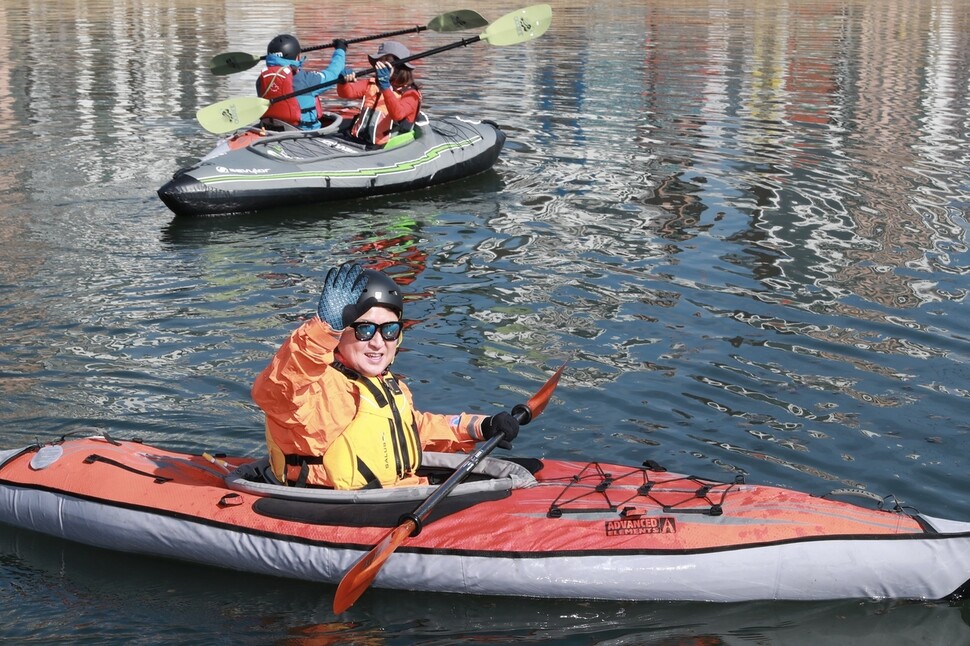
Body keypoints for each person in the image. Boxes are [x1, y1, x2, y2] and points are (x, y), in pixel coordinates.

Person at [252, 261, 519, 489]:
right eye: (364, 330)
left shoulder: (389, 385)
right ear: (340, 333)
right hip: (340, 510)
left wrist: (481, 427)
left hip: (399, 494)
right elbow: (277, 389)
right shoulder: (315, 389)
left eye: (389, 329)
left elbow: (416, 430)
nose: (378, 343)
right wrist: (323, 330)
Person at [337, 40, 422, 146]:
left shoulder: (411, 94)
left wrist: (385, 87)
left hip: (387, 148)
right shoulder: (372, 84)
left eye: (386, 62)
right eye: (379, 61)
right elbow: (346, 93)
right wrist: (343, 82)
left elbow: (397, 114)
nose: (380, 66)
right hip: (359, 141)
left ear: (400, 68)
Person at [256, 33, 348, 130]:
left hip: (271, 128)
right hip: (303, 131)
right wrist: (340, 50)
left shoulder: (262, 79)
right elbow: (333, 73)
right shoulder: (306, 79)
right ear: (298, 57)